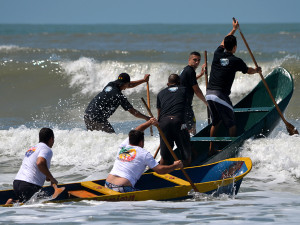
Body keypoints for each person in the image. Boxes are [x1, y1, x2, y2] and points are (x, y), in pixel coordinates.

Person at [206, 19, 262, 156]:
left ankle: (211, 149)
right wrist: (257, 70)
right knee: (231, 122)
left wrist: (234, 29)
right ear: (235, 47)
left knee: (216, 122)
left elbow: (222, 41)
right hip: (220, 95)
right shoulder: (236, 61)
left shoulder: (217, 53)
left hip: (209, 93)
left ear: (225, 46)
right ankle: (232, 151)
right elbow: (248, 71)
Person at [105, 118, 183, 193]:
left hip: (107, 184)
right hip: (121, 188)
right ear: (141, 142)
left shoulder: (123, 146)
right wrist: (175, 166)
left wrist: (149, 122)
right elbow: (160, 170)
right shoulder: (144, 154)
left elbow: (137, 130)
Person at [84, 73, 151, 133]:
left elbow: (129, 84)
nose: (128, 86)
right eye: (127, 84)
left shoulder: (110, 84)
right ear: (125, 84)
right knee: (110, 138)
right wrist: (147, 118)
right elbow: (133, 112)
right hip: (97, 119)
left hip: (88, 115)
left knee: (98, 138)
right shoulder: (119, 96)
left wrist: (143, 80)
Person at [6, 128, 58, 205]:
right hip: (29, 185)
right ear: (51, 139)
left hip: (17, 183)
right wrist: (52, 178)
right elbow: (40, 163)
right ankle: (13, 202)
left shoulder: (32, 148)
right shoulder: (46, 149)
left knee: (25, 202)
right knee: (45, 202)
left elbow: (37, 168)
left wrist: (48, 178)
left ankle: (13, 202)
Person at [156, 74, 192, 166]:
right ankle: (187, 169)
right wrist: (189, 125)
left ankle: (162, 171)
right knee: (187, 155)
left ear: (168, 84)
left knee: (164, 156)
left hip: (163, 123)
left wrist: (161, 129)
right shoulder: (184, 90)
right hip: (178, 122)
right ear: (179, 83)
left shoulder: (160, 93)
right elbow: (187, 108)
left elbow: (159, 114)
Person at [180, 51, 208, 135]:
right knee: (192, 128)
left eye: (199, 60)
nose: (197, 62)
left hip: (180, 104)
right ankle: (191, 146)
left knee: (184, 128)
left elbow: (187, 80)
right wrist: (206, 102)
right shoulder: (190, 71)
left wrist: (200, 75)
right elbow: (196, 90)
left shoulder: (186, 69)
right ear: (189, 60)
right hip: (185, 105)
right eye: (194, 60)